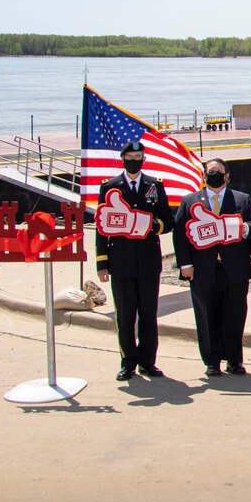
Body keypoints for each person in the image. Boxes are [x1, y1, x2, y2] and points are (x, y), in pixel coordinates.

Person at [173, 158, 251, 377]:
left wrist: (244, 229)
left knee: (234, 315)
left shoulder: (241, 199)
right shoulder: (190, 201)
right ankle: (212, 361)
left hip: (234, 268)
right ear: (204, 175)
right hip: (203, 269)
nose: (214, 175)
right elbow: (180, 236)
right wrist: (185, 265)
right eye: (210, 171)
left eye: (218, 171)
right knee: (207, 314)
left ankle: (234, 360)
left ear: (227, 175)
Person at [95, 140, 174, 381]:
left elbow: (167, 221)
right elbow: (101, 226)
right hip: (121, 261)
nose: (134, 160)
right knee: (125, 315)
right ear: (122, 159)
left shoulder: (154, 185)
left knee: (149, 314)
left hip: (149, 259)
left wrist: (151, 226)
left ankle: (148, 362)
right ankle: (128, 361)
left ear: (143, 159)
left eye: (138, 156)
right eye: (130, 156)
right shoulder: (109, 186)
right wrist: (102, 263)